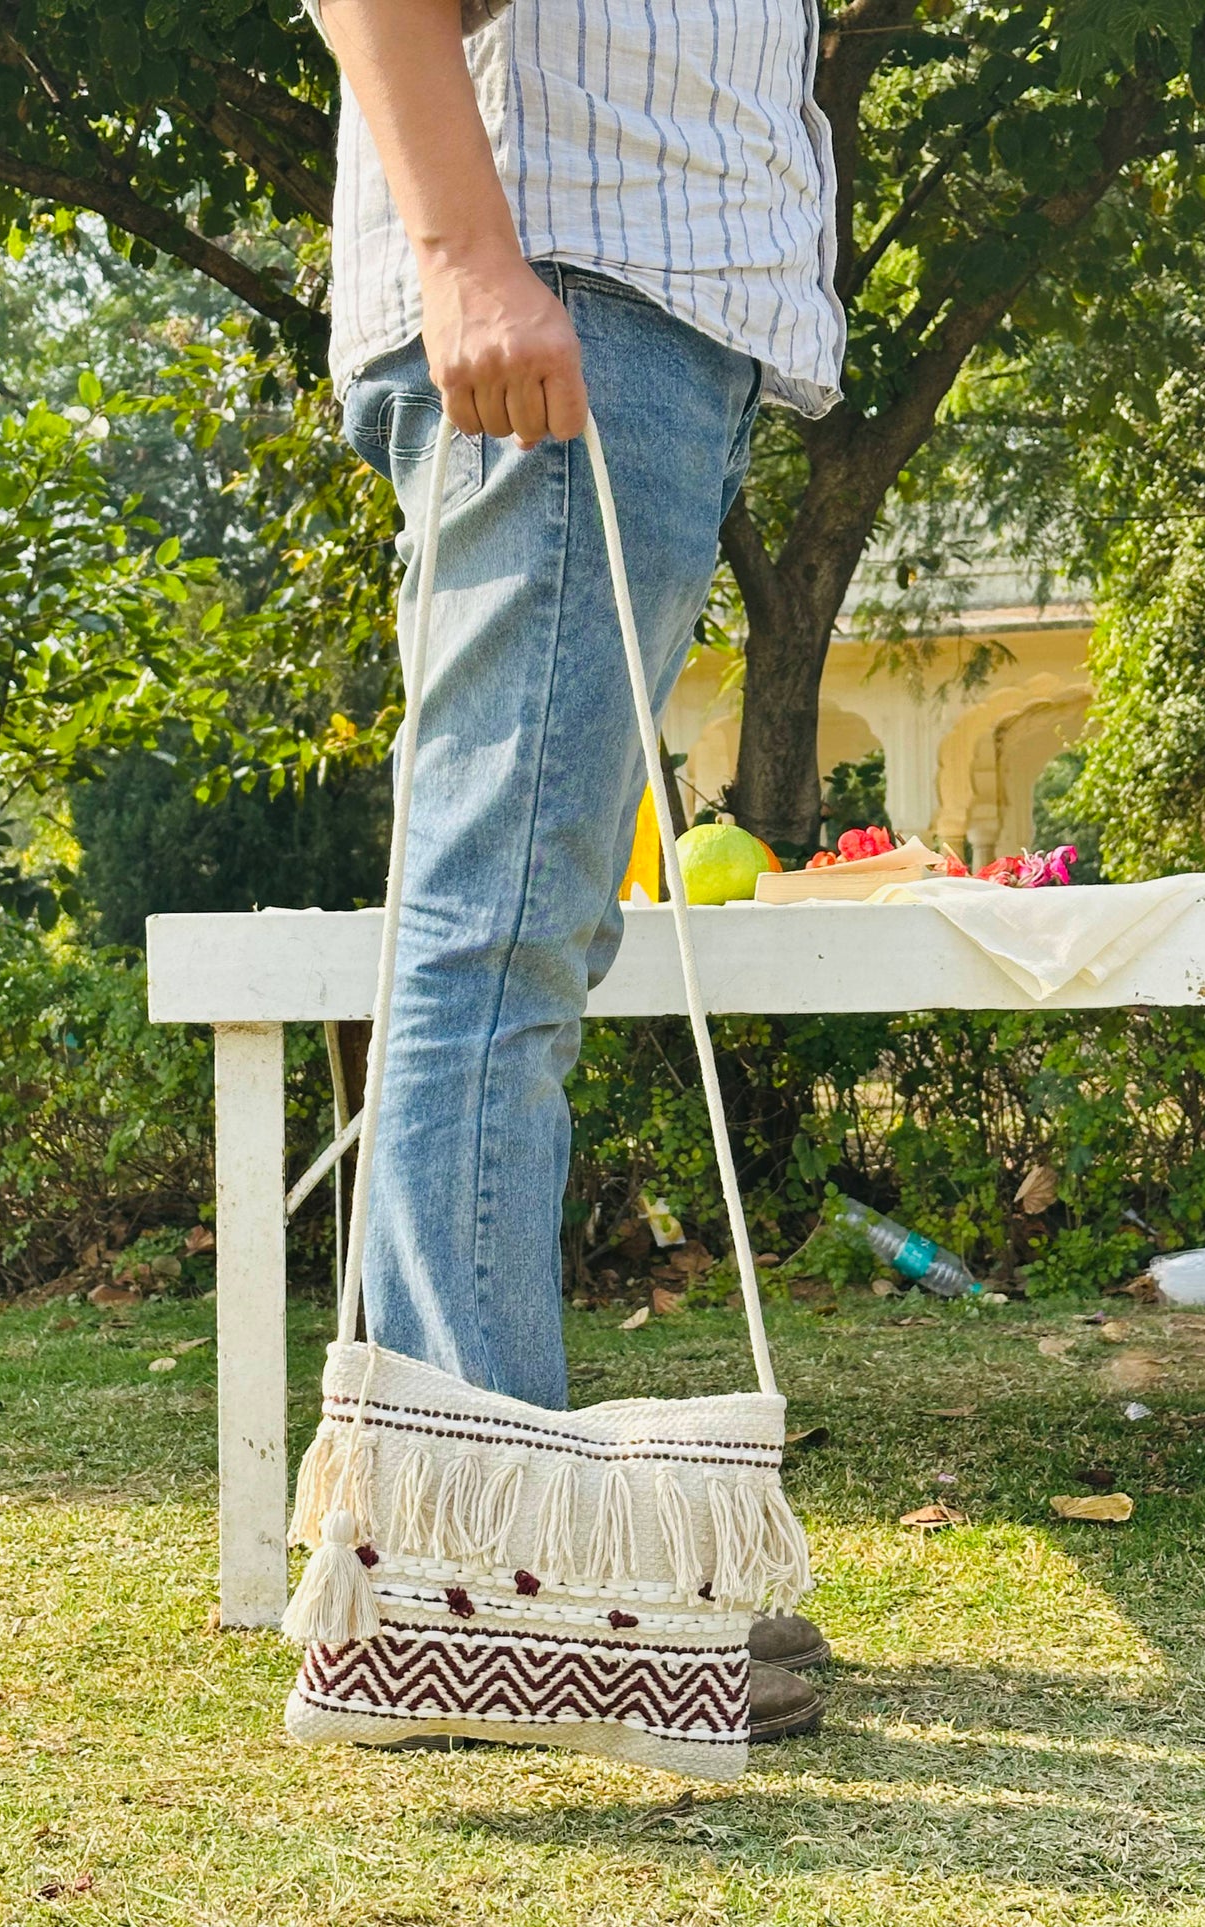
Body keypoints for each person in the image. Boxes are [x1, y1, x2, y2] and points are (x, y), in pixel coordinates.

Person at [309, 0, 842, 1741]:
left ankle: (436, 1574)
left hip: (624, 302)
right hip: (565, 292)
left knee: (498, 933)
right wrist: (469, 258)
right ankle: (493, 1602)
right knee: (498, 942)